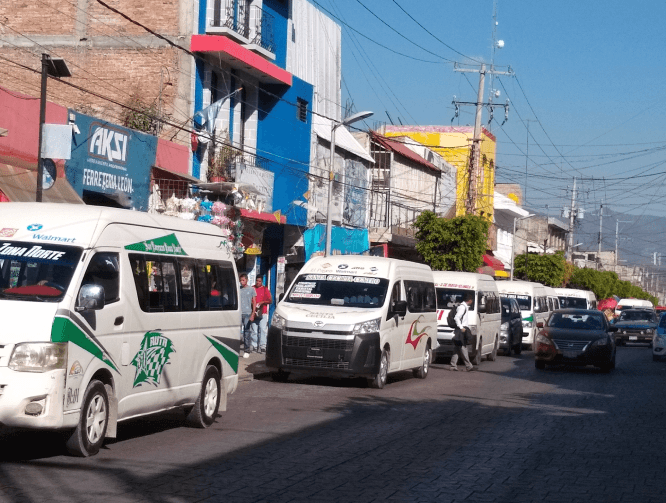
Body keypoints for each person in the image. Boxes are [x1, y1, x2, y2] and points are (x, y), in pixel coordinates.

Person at [450, 292, 475, 372]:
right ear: (469, 300)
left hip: (461, 329)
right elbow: (457, 318)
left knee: (457, 348)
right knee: (463, 347)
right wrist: (461, 327)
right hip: (461, 330)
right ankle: (469, 365)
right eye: (472, 300)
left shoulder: (464, 307)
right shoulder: (462, 307)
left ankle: (453, 365)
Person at [251, 276, 272, 353]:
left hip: (263, 312)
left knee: (263, 330)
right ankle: (254, 346)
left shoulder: (265, 289)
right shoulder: (252, 288)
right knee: (254, 330)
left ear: (262, 282)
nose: (258, 282)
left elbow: (270, 300)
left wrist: (262, 302)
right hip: (254, 312)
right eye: (257, 281)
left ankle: (263, 346)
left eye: (259, 281)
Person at [239, 273, 257, 358]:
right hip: (239, 313)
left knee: (247, 332)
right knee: (237, 332)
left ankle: (247, 350)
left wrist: (253, 313)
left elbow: (254, 302)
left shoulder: (251, 289)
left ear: (246, 280)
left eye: (243, 280)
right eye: (241, 280)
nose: (242, 282)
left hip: (247, 313)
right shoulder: (239, 289)